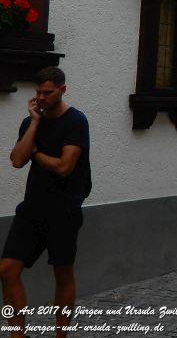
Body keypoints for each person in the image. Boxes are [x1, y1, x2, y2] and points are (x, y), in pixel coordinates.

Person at [1, 67, 91, 338]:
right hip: (33, 205)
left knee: (62, 272)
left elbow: (64, 166)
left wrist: (36, 153)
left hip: (64, 207)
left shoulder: (75, 121)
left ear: (62, 90)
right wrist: (34, 123)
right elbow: (17, 160)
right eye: (38, 92)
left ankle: (60, 335)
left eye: (48, 93)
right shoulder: (31, 122)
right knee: (7, 269)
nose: (41, 97)